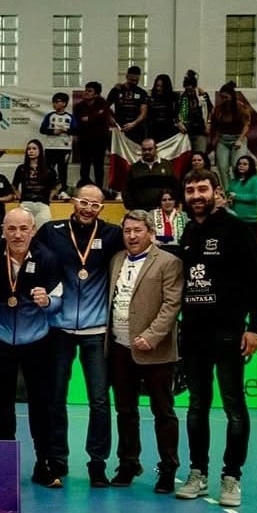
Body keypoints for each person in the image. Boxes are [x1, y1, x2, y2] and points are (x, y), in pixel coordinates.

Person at [176, 170, 257, 507]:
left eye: (202, 189)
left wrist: (254, 327)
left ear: (216, 191)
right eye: (191, 190)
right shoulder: (189, 232)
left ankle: (231, 478)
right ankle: (197, 473)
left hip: (228, 333)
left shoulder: (237, 228)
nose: (196, 195)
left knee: (234, 408)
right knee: (196, 407)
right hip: (194, 334)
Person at [34, 184, 124, 486]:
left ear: (102, 208)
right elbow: (22, 248)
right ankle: (57, 459)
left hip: (96, 331)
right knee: (55, 397)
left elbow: (142, 246)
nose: (88, 208)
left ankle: (97, 463)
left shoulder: (112, 234)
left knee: (99, 400)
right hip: (59, 328)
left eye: (95, 205)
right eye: (83, 202)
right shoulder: (51, 231)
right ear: (73, 202)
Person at [0, 208, 63, 487]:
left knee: (41, 405)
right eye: (11, 229)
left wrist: (47, 302)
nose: (17, 235)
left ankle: (44, 463)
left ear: (32, 230)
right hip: (0, 339)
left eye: (23, 229)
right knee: (1, 405)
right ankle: (4, 465)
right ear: (3, 230)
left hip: (36, 340)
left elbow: (58, 299)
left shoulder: (48, 258)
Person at [107, 210, 182, 493]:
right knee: (125, 410)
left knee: (163, 411)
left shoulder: (168, 262)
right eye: (127, 231)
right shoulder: (116, 260)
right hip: (119, 347)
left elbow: (171, 305)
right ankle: (128, 463)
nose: (132, 236)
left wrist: (151, 336)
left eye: (137, 230)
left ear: (150, 233)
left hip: (156, 351)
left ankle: (167, 468)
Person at [210, 81, 251, 189]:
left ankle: (239, 189)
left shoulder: (240, 107)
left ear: (231, 96)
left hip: (238, 138)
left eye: (225, 97)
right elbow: (216, 126)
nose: (223, 100)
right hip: (223, 140)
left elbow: (246, 125)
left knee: (236, 166)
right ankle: (228, 192)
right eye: (221, 97)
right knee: (222, 168)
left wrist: (240, 140)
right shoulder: (219, 109)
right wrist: (215, 140)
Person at [73, 82, 114, 189]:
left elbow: (101, 117)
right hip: (84, 140)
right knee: (84, 165)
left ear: (96, 94)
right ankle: (84, 187)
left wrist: (89, 118)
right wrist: (95, 116)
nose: (86, 92)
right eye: (86, 90)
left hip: (100, 140)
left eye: (89, 91)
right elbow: (80, 121)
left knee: (98, 165)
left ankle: (99, 188)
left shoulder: (103, 104)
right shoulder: (79, 106)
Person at [12, 139, 58, 228]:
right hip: (26, 204)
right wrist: (19, 196)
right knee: (24, 230)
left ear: (40, 151)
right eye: (29, 149)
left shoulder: (48, 169)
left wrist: (49, 197)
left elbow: (57, 186)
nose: (31, 151)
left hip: (42, 205)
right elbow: (14, 186)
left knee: (44, 231)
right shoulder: (21, 168)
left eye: (34, 148)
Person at [123, 138, 178, 211]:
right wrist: (133, 209)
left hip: (164, 212)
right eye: (144, 150)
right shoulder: (134, 168)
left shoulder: (167, 165)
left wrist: (174, 205)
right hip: (141, 213)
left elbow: (176, 187)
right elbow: (126, 191)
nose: (147, 152)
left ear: (156, 149)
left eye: (150, 149)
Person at [39, 93, 75, 196]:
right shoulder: (50, 116)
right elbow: (42, 129)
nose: (54, 104)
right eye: (53, 101)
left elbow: (77, 130)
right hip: (51, 147)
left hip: (64, 148)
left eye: (57, 101)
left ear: (64, 103)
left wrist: (66, 130)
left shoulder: (70, 117)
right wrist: (53, 131)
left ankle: (62, 191)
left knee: (62, 169)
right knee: (49, 169)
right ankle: (49, 189)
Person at [107, 66, 150, 144]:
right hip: (120, 129)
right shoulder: (117, 90)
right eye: (132, 80)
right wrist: (110, 117)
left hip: (136, 129)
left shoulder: (142, 92)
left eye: (136, 80)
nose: (134, 82)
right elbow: (105, 107)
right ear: (126, 76)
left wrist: (134, 123)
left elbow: (143, 112)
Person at [176, 70, 212, 154]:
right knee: (186, 157)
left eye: (191, 90)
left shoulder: (203, 96)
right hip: (186, 132)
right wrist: (179, 123)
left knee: (200, 154)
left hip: (200, 131)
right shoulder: (181, 97)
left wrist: (209, 123)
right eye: (187, 89)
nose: (189, 92)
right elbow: (175, 113)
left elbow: (210, 110)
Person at [225, 154, 257, 232]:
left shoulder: (256, 180)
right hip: (234, 219)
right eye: (239, 164)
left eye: (245, 164)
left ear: (251, 166)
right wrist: (229, 199)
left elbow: (256, 197)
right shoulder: (234, 181)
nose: (241, 166)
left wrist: (236, 196)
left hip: (249, 221)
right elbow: (228, 194)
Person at [148, 74, 179, 142]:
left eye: (161, 86)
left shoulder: (174, 97)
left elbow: (177, 113)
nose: (158, 88)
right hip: (154, 130)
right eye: (157, 86)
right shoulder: (151, 97)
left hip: (169, 130)